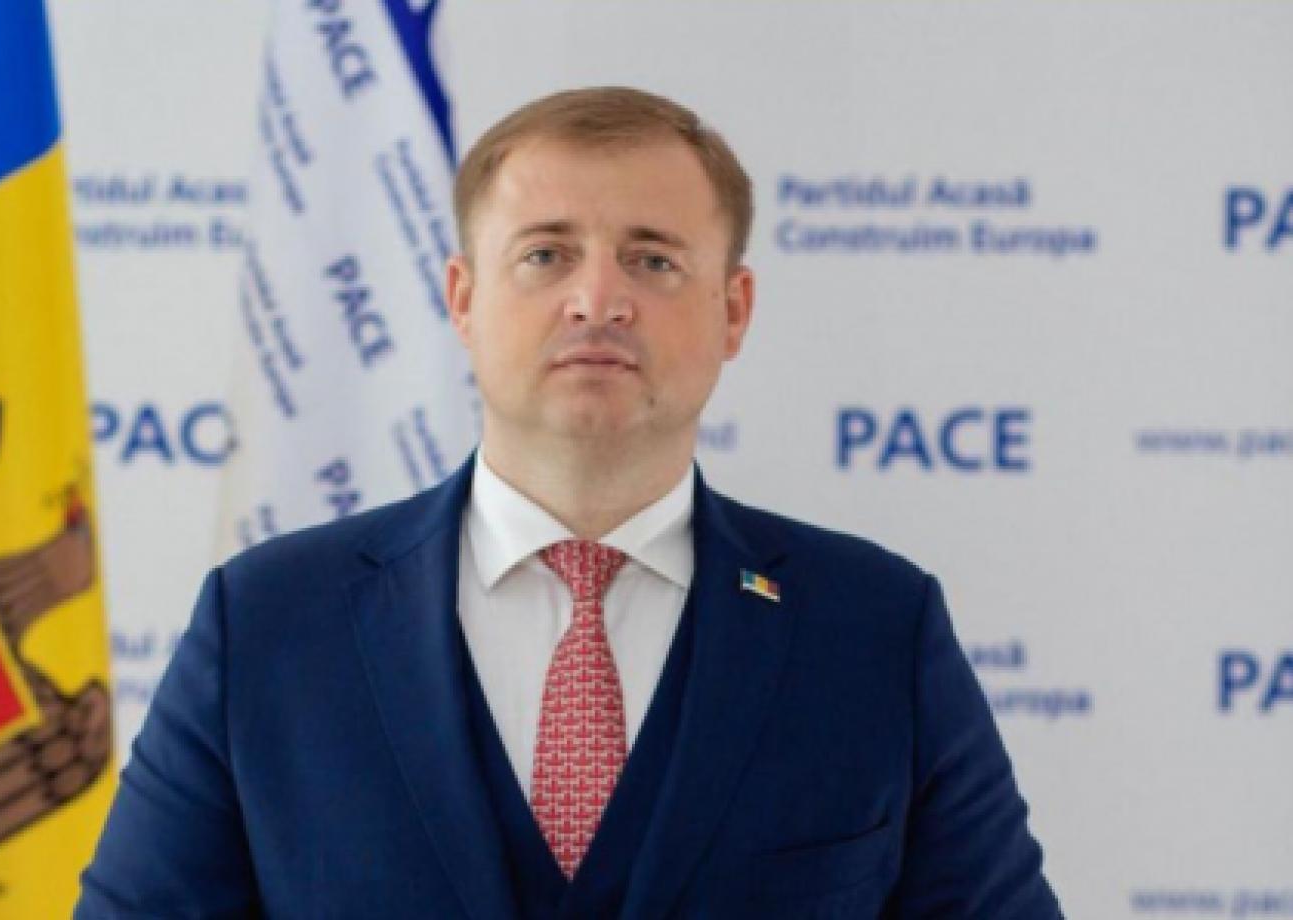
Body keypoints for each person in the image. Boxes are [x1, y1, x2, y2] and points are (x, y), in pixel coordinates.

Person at [77, 87, 1061, 919]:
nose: (597, 299)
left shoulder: (873, 628)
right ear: (462, 299)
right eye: (546, 255)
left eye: (653, 259)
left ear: (733, 311)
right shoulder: (268, 623)